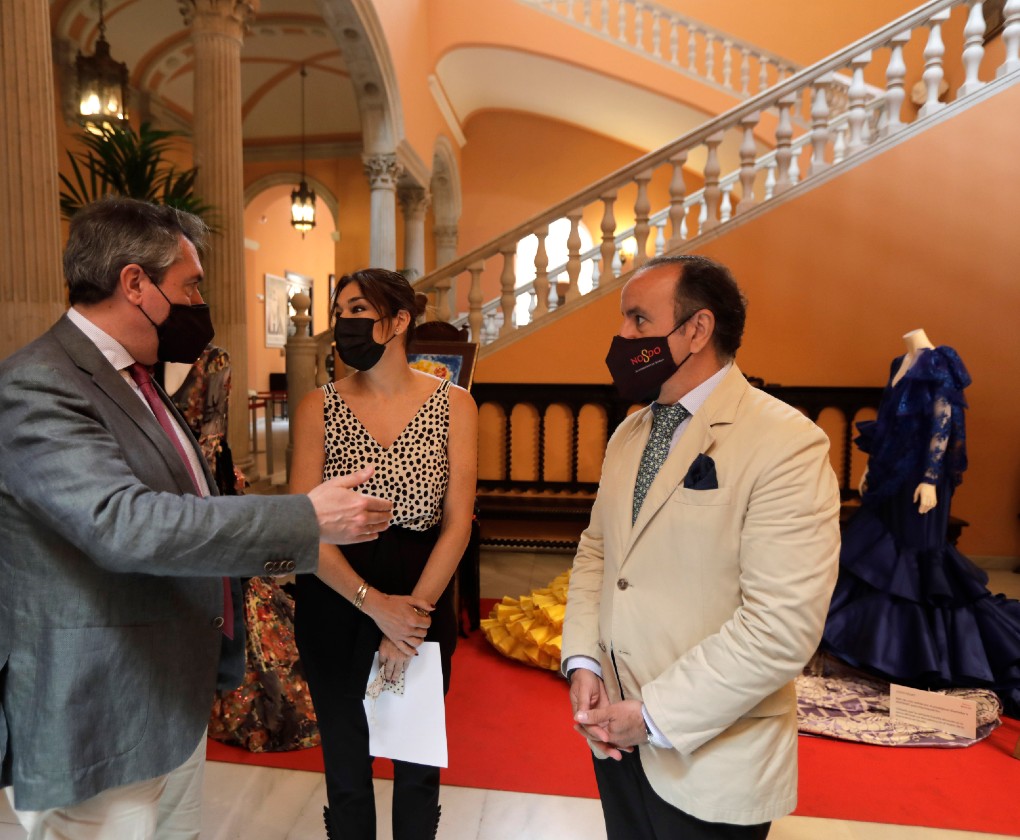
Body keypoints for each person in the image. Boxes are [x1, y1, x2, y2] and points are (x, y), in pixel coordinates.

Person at [0, 197, 422, 839]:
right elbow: (124, 523)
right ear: (134, 283)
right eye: (189, 284)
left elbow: (191, 501)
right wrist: (304, 517)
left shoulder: (133, 378)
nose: (199, 302)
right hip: (100, 698)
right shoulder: (39, 383)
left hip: (167, 684)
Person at [561, 254, 841, 839]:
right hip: (615, 735)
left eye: (639, 320)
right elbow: (598, 553)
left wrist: (654, 715)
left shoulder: (785, 443)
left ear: (697, 329)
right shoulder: (629, 433)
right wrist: (584, 659)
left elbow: (781, 626)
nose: (623, 337)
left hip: (709, 752)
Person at [289, 268, 478, 840]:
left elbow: (457, 524)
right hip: (337, 593)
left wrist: (411, 616)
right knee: (347, 770)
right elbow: (305, 527)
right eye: (339, 313)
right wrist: (374, 606)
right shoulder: (317, 405)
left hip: (422, 595)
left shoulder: (455, 404)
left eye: (357, 312)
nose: (344, 325)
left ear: (398, 322)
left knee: (418, 768)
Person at [823, 329, 1020, 715]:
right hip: (891, 479)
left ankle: (929, 655)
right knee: (880, 559)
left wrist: (931, 478)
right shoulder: (901, 363)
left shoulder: (939, 361)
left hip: (922, 482)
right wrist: (869, 469)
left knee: (919, 561)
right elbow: (888, 428)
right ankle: (878, 648)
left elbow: (943, 421)